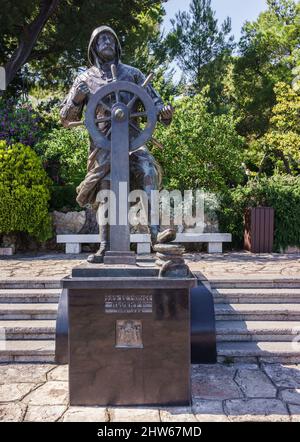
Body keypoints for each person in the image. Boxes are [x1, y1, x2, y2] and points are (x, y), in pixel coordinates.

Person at [60, 26, 173, 263]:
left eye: (111, 37)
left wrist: (164, 111)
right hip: (103, 146)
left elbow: (155, 102)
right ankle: (104, 246)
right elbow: (65, 119)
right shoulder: (84, 79)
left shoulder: (133, 73)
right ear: (93, 46)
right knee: (105, 189)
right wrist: (77, 100)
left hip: (133, 143)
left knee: (148, 170)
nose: (106, 41)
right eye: (101, 38)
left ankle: (155, 234)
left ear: (117, 45)